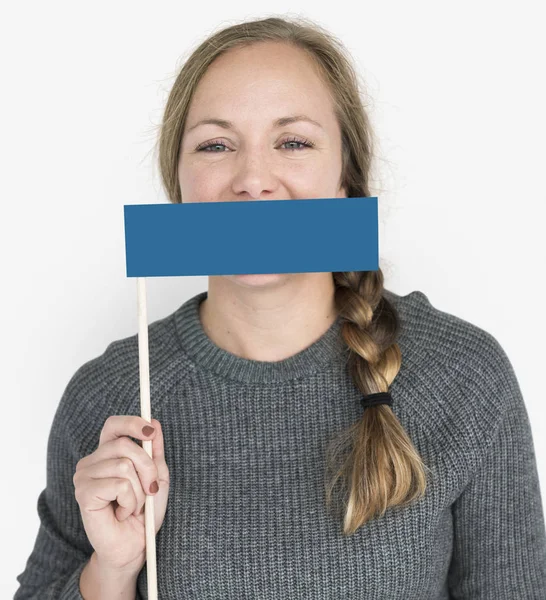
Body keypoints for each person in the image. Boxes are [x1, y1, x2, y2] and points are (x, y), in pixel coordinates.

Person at [14, 15, 546, 600]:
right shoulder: (109, 397)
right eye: (216, 145)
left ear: (345, 176)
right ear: (179, 182)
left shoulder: (464, 375)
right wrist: (111, 570)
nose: (253, 179)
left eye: (292, 142)